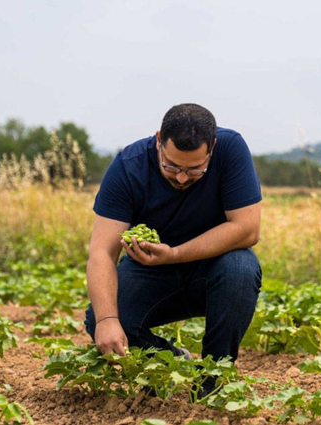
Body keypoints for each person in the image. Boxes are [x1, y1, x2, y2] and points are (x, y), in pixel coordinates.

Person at [83, 103, 263, 395]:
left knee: (240, 267)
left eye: (194, 169)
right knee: (101, 318)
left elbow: (247, 228)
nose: (181, 177)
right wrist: (106, 320)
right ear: (158, 140)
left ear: (212, 148)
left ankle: (213, 380)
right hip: (150, 271)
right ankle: (172, 360)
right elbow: (101, 252)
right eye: (172, 166)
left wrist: (176, 253)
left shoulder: (231, 149)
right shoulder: (128, 167)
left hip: (214, 268)